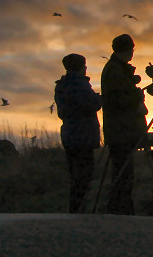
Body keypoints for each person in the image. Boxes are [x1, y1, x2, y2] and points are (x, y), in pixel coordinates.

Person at [101, 33, 147, 215]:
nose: (132, 54)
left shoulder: (116, 69)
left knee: (123, 170)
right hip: (121, 129)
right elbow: (118, 100)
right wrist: (136, 95)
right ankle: (121, 209)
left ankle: (120, 207)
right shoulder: (115, 70)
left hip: (120, 129)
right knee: (123, 171)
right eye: (132, 50)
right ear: (127, 50)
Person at [54, 53, 102, 213]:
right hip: (83, 136)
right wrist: (99, 98)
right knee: (84, 176)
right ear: (80, 67)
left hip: (70, 135)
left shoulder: (62, 85)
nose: (86, 68)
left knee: (75, 175)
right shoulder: (79, 85)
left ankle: (75, 209)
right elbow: (92, 103)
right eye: (85, 65)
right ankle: (79, 211)